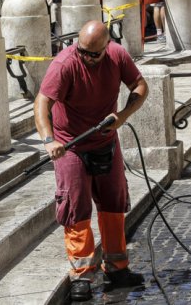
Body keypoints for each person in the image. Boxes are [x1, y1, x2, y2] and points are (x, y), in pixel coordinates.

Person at [34, 20, 149, 302]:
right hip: (70, 146)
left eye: (92, 54)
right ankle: (82, 276)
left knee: (113, 204)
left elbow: (140, 85)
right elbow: (42, 102)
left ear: (106, 47)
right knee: (76, 209)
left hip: (106, 143)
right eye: (82, 51)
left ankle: (117, 269)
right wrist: (49, 140)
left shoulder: (117, 55)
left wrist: (122, 116)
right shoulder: (64, 64)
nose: (85, 57)